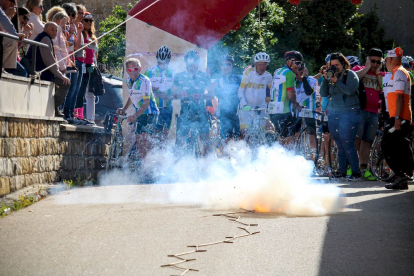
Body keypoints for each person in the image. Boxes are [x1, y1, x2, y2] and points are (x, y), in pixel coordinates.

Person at [320, 53, 361, 180]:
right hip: (334, 113)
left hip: (349, 112)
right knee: (339, 142)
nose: (335, 67)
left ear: (343, 64)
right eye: (332, 65)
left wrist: (336, 81)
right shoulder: (331, 78)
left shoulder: (350, 74)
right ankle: (342, 170)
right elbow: (323, 93)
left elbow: (350, 91)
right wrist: (326, 79)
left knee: (347, 142)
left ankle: (356, 171)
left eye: (337, 65)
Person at [381, 47, 413, 190]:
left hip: (399, 117)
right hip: (396, 116)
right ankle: (401, 176)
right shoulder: (397, 72)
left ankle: (401, 174)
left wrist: (398, 118)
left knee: (387, 144)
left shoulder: (399, 72)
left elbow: (400, 96)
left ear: (392, 60)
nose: (385, 62)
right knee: (396, 146)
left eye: (387, 60)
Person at [172, 49, 214, 155]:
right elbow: (173, 94)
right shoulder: (179, 76)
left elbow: (211, 95)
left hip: (200, 112)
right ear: (186, 61)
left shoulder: (204, 76)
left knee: (206, 142)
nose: (192, 64)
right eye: (190, 60)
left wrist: (201, 96)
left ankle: (208, 167)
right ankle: (174, 168)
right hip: (185, 112)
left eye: (195, 60)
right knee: (179, 143)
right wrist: (180, 94)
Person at [117, 58, 159, 162]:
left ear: (139, 69)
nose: (133, 72)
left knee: (145, 142)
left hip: (150, 113)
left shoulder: (144, 81)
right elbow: (132, 96)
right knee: (140, 143)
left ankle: (149, 169)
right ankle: (142, 170)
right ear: (127, 71)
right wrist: (124, 108)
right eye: (130, 70)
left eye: (135, 69)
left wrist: (134, 116)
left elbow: (146, 103)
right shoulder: (128, 81)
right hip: (140, 114)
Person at [352, 48, 384, 180]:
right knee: (356, 140)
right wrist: (367, 67)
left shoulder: (380, 74)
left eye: (378, 62)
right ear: (368, 59)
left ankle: (364, 168)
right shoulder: (358, 69)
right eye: (373, 61)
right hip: (360, 110)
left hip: (374, 113)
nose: (375, 64)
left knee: (367, 142)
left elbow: (384, 88)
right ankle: (351, 167)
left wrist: (377, 73)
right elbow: (355, 79)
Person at [26, 22, 71, 117]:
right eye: (52, 30)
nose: (54, 32)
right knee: (65, 83)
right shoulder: (45, 38)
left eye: (56, 30)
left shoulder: (44, 37)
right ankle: (53, 106)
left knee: (60, 83)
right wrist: (60, 75)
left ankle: (55, 108)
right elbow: (49, 61)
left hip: (42, 70)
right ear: (45, 29)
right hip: (41, 72)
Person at [269, 50, 304, 144]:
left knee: (281, 139)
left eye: (300, 63)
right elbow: (291, 94)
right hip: (283, 111)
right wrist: (297, 105)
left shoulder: (279, 71)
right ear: (288, 61)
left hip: (273, 110)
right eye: (297, 63)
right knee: (289, 141)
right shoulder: (289, 73)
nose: (299, 66)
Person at [144, 45, 175, 143]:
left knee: (164, 136)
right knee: (152, 134)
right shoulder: (149, 72)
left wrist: (171, 96)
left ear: (169, 61)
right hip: (153, 108)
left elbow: (176, 92)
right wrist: (152, 90)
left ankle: (160, 156)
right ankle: (151, 155)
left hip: (167, 108)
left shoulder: (173, 73)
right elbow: (142, 89)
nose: (162, 65)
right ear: (157, 59)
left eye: (165, 62)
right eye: (160, 62)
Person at [238, 52, 273, 136]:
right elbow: (240, 91)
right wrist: (244, 104)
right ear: (255, 64)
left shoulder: (268, 76)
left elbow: (272, 92)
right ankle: (245, 146)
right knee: (245, 131)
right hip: (247, 105)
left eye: (264, 64)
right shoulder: (249, 72)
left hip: (261, 106)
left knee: (262, 131)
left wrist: (271, 104)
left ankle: (261, 146)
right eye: (259, 64)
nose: (262, 67)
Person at [62, 3, 84, 123]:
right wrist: (70, 33)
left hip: (72, 60)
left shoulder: (72, 26)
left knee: (73, 88)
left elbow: (76, 46)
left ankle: (69, 113)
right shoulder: (62, 26)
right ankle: (64, 113)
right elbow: (64, 44)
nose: (71, 17)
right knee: (66, 88)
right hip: (64, 60)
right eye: (69, 14)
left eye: (72, 15)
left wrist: (79, 32)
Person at [212, 54, 241, 142]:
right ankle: (228, 154)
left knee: (240, 136)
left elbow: (243, 92)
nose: (225, 67)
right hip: (224, 112)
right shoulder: (217, 80)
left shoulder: (239, 78)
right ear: (220, 66)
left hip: (238, 111)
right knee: (227, 137)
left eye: (228, 64)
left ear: (232, 66)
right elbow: (218, 93)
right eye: (223, 64)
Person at [75, 12, 97, 124]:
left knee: (90, 93)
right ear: (82, 21)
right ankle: (78, 115)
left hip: (90, 65)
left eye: (90, 21)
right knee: (80, 90)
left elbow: (95, 53)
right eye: (86, 20)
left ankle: (89, 118)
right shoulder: (81, 34)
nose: (88, 23)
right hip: (82, 63)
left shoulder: (91, 35)